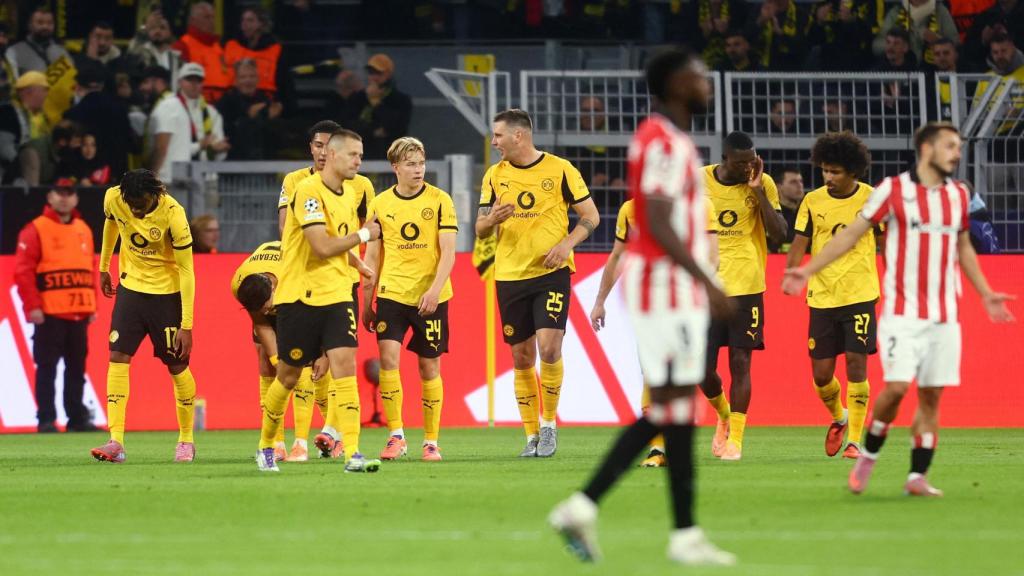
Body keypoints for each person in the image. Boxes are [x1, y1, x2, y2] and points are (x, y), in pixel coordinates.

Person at [549, 47, 736, 567]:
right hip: (665, 288)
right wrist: (708, 280)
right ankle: (593, 508)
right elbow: (652, 219)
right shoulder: (659, 139)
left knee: (676, 411)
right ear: (675, 83)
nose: (707, 82)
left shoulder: (674, 140)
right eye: (698, 75)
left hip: (676, 288)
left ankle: (676, 531)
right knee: (672, 407)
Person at [783, 122, 1016, 496]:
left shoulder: (957, 195)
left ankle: (916, 476)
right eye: (950, 146)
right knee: (895, 389)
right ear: (926, 148)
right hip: (902, 312)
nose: (957, 154)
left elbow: (963, 248)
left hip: (944, 313)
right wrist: (806, 269)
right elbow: (850, 235)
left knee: (931, 395)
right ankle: (869, 453)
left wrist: (986, 292)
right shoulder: (892, 192)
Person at [476, 108, 601, 458]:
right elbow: (480, 228)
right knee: (521, 357)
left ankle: (548, 426)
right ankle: (531, 435)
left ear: (519, 135)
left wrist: (566, 244)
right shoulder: (494, 176)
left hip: (551, 273)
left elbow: (591, 215)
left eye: (498, 135)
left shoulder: (561, 169)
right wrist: (491, 220)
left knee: (549, 348)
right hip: (510, 275)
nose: (494, 141)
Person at [255, 129, 381, 473]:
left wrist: (358, 263)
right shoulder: (307, 192)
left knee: (345, 370)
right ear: (334, 155)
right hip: (299, 297)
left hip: (338, 295)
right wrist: (366, 234)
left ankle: (352, 452)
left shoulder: (349, 193)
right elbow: (322, 246)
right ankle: (267, 444)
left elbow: (339, 241)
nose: (359, 161)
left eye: (361, 155)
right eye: (354, 154)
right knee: (289, 376)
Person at [90, 169, 199, 464]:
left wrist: (186, 325)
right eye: (132, 204)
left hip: (166, 295)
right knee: (117, 356)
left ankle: (186, 439)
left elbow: (187, 271)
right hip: (131, 290)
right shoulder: (113, 197)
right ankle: (116, 441)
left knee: (176, 366)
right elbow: (111, 225)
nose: (136, 210)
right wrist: (103, 267)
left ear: (155, 195)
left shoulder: (174, 214)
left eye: (142, 204)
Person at [362, 137, 457, 462]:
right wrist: (366, 299)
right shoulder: (380, 204)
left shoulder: (440, 200)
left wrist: (433, 290)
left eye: (421, 163)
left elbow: (448, 252)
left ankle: (431, 442)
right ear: (396, 167)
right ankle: (396, 435)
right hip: (392, 294)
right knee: (388, 360)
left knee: (429, 367)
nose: (418, 170)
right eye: (411, 164)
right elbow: (372, 256)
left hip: (432, 296)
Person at [785, 132, 876, 460]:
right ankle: (840, 417)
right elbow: (799, 243)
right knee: (822, 376)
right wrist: (791, 273)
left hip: (860, 293)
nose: (828, 177)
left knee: (856, 363)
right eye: (825, 170)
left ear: (853, 171)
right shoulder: (812, 201)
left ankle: (854, 439)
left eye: (835, 171)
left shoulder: (871, 199)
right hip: (822, 296)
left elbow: (889, 238)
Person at [701, 131, 787, 461]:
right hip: (707, 286)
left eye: (752, 161)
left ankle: (735, 439)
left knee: (740, 361)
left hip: (747, 285)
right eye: (741, 164)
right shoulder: (698, 182)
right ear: (724, 160)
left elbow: (779, 235)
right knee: (701, 370)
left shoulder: (762, 183)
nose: (748, 168)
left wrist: (758, 192)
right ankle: (723, 415)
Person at [13, 177, 98, 433]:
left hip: (78, 311)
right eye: (59, 193)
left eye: (69, 193)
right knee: (47, 366)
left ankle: (76, 418)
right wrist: (33, 306)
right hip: (49, 311)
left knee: (77, 367)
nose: (64, 197)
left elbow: (89, 268)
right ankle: (46, 419)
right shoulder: (35, 229)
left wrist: (91, 304)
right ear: (49, 197)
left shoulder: (84, 228)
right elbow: (23, 272)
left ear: (76, 198)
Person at [232, 240, 322, 462]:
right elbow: (260, 323)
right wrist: (275, 359)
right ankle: (277, 443)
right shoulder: (239, 283)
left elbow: (317, 313)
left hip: (300, 304)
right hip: (274, 294)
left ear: (273, 288)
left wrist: (321, 351)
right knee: (266, 363)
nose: (266, 310)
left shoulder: (296, 275)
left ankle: (301, 444)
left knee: (303, 364)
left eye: (267, 305)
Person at [148, 62, 228, 187]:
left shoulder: (212, 113)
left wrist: (218, 150)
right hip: (173, 179)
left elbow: (220, 153)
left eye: (198, 80)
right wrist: (200, 145)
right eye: (189, 79)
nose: (194, 84)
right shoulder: (169, 107)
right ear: (179, 82)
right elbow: (166, 149)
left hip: (207, 179)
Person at [63, 62, 134, 180]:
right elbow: (129, 141)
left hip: (85, 176)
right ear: (101, 86)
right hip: (117, 174)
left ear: (79, 87)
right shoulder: (120, 108)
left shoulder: (74, 113)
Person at [223, 7, 292, 110]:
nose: (244, 24)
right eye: (243, 20)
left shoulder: (275, 49)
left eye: (250, 20)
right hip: (235, 101)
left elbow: (284, 82)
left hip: (264, 101)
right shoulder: (231, 46)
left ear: (262, 24)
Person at [348, 54, 413, 159]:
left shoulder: (400, 100)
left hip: (389, 156)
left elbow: (397, 128)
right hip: (359, 155)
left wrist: (375, 102)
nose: (374, 77)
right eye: (371, 73)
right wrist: (373, 132)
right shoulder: (358, 98)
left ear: (388, 74)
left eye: (378, 73)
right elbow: (349, 125)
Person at [215, 58, 282, 160]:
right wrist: (248, 116)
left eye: (252, 76)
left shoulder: (265, 100)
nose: (248, 80)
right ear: (236, 81)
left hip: (263, 160)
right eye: (243, 77)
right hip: (234, 160)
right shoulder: (225, 102)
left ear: (257, 79)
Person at [873, 0, 960, 69]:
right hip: (902, 71)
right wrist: (895, 46)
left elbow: (956, 43)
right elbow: (876, 46)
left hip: (934, 71)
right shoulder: (896, 12)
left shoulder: (940, 11)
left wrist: (938, 41)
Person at [173, 2, 230, 102]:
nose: (212, 21)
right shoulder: (183, 46)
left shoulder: (218, 47)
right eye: (206, 17)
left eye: (213, 17)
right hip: (199, 102)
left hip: (225, 102)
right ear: (192, 20)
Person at [0, 71, 51, 181]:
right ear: (28, 92)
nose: (46, 94)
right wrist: (18, 169)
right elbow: (4, 148)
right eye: (44, 90)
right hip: (12, 175)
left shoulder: (40, 116)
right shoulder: (7, 112)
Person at [5, 7, 70, 76]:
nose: (45, 27)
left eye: (50, 23)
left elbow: (71, 81)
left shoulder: (61, 51)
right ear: (29, 25)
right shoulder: (14, 51)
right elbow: (12, 84)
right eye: (40, 22)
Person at [745, 0, 809, 70]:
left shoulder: (800, 14)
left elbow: (801, 46)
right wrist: (761, 21)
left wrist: (779, 34)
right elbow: (747, 39)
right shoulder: (758, 9)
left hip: (791, 68)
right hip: (761, 66)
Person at [128, 11, 183, 89]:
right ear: (148, 31)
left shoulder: (177, 58)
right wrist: (145, 27)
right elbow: (131, 51)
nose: (157, 31)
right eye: (153, 28)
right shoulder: (142, 52)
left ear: (169, 32)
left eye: (162, 28)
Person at [769, 165, 804, 253]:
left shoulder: (809, 212)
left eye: (801, 181)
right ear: (778, 186)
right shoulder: (771, 215)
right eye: (793, 182)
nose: (799, 185)